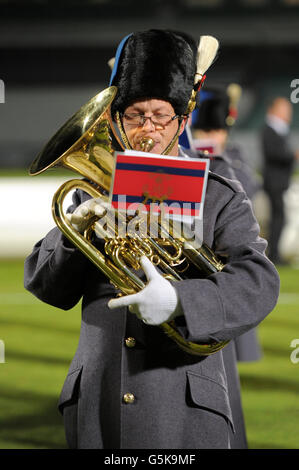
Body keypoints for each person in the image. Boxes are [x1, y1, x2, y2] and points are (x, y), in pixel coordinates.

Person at [24, 29, 280, 449]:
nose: (147, 129)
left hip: (184, 407)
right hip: (99, 401)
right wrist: (78, 233)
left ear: (181, 121)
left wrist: (180, 302)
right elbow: (43, 283)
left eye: (160, 116)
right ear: (114, 120)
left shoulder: (217, 193)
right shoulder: (93, 193)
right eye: (134, 115)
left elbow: (259, 282)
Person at [189, 85, 262, 363]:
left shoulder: (235, 164)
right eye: (205, 132)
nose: (210, 137)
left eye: (215, 131)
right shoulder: (189, 159)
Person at [261, 97, 299, 265]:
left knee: (279, 218)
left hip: (279, 182)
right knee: (278, 218)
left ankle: (275, 253)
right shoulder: (269, 129)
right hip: (274, 182)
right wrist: (292, 155)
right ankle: (273, 254)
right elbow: (273, 153)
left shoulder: (279, 129)